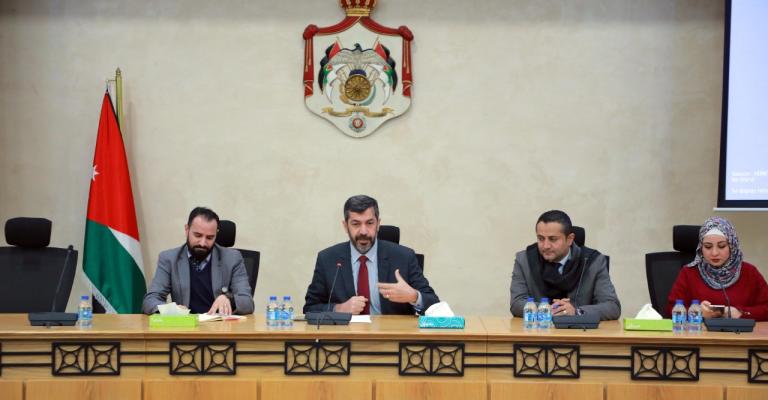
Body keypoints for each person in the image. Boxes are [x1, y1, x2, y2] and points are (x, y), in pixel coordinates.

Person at [303, 195, 439, 315]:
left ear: (378, 224)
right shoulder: (327, 259)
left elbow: (434, 304)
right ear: (345, 226)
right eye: (356, 224)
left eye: (369, 223)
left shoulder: (404, 257)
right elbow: (310, 308)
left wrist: (414, 296)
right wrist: (339, 308)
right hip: (346, 334)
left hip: (391, 334)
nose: (363, 231)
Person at [510, 210, 621, 320]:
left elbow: (612, 307)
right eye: (541, 239)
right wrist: (550, 309)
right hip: (538, 329)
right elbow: (516, 303)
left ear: (569, 239)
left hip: (581, 330)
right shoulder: (525, 260)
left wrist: (576, 311)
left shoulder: (593, 262)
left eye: (553, 239)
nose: (546, 246)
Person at [142, 207, 254, 315]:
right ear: (187, 230)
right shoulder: (169, 259)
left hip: (220, 325)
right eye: (198, 235)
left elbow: (248, 302)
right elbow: (150, 300)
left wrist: (229, 299)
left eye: (210, 237)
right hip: (185, 325)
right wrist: (171, 310)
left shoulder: (232, 258)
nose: (203, 243)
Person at [666, 216, 768, 320]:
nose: (714, 253)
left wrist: (741, 313)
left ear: (732, 246)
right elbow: (670, 310)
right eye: (708, 246)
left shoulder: (749, 272)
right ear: (701, 247)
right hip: (701, 330)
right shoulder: (688, 273)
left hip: (740, 330)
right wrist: (698, 312)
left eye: (722, 246)